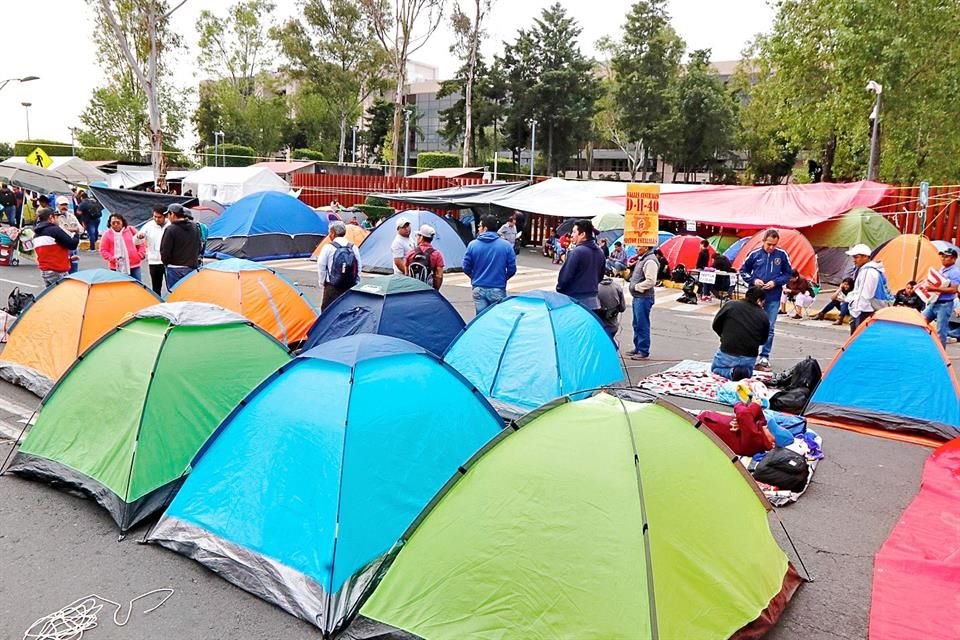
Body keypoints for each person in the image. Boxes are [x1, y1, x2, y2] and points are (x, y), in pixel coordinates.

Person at [738, 228, 793, 371]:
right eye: (769, 244)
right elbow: (743, 270)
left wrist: (776, 282)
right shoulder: (754, 254)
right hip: (755, 297)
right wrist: (753, 280)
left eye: (774, 245)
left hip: (773, 296)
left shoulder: (781, 255)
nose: (771, 247)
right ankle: (748, 354)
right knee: (750, 325)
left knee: (769, 327)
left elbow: (788, 274)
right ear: (763, 241)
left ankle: (764, 356)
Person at [710, 286, 771, 380]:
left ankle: (731, 373)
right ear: (759, 300)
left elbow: (716, 324)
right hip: (749, 357)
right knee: (747, 372)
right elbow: (763, 340)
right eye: (763, 302)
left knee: (716, 368)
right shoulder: (764, 316)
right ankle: (743, 373)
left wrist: (724, 337)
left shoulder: (731, 305)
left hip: (728, 351)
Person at [462, 215, 517, 313]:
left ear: (485, 228)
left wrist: (474, 277)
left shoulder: (473, 245)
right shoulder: (506, 246)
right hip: (498, 287)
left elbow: (466, 267)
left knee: (480, 319)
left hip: (478, 287)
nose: (478, 229)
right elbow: (512, 269)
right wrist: (503, 278)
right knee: (497, 318)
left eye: (479, 226)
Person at [556, 220, 605, 311]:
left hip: (576, 300)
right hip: (594, 301)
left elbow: (565, 277)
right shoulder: (600, 252)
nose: (572, 235)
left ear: (582, 234)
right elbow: (600, 276)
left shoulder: (577, 252)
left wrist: (560, 289)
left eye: (574, 232)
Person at [316, 221, 362, 311]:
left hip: (332, 286)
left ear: (333, 233)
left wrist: (322, 282)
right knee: (347, 310)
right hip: (349, 285)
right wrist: (356, 281)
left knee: (328, 312)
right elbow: (358, 266)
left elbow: (321, 266)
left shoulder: (328, 247)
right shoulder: (353, 247)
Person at [845, 243, 889, 334]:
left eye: (856, 257)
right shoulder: (874, 270)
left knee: (857, 339)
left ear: (865, 257)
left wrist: (855, 312)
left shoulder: (868, 271)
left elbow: (864, 295)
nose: (854, 260)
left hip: (864, 311)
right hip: (870, 310)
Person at [627, 244, 660, 360]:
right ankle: (637, 347)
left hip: (644, 297)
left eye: (639, 246)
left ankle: (643, 350)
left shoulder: (650, 261)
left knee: (642, 324)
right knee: (636, 323)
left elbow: (651, 281)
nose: (636, 248)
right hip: (638, 297)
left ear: (646, 248)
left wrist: (637, 287)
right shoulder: (643, 259)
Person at [923, 247, 960, 346]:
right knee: (921, 321)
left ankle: (941, 357)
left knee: (941, 332)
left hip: (945, 304)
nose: (943, 258)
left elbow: (953, 289)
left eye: (947, 257)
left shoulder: (955, 272)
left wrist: (934, 289)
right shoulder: (942, 269)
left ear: (953, 259)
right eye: (943, 256)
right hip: (935, 302)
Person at [160, 203, 201, 291]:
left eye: (168, 214)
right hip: (191, 266)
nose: (168, 217)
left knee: (175, 294)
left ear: (173, 214)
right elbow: (199, 245)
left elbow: (165, 250)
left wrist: (166, 262)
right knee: (189, 293)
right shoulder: (195, 227)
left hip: (175, 268)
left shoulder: (171, 229)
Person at [33, 208, 79, 286]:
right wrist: (76, 234)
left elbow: (48, 254)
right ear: (51, 217)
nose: (58, 220)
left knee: (52, 295)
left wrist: (68, 259)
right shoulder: (54, 230)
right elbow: (72, 244)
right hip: (57, 271)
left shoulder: (36, 235)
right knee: (66, 296)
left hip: (45, 271)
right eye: (57, 217)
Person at [99, 213, 145, 280]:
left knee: (137, 286)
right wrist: (112, 259)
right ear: (110, 223)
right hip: (116, 267)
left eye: (118, 222)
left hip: (134, 265)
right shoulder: (107, 234)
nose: (116, 225)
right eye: (113, 223)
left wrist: (140, 255)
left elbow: (141, 243)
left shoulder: (131, 230)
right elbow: (103, 250)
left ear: (122, 222)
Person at [137, 205, 170, 295]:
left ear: (165, 216)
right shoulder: (148, 226)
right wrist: (138, 237)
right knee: (156, 288)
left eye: (159, 217)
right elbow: (135, 242)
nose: (156, 219)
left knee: (172, 287)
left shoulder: (171, 225)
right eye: (155, 216)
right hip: (154, 261)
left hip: (169, 262)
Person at [405, 224, 445, 290]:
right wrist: (436, 289)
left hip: (412, 289)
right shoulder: (437, 254)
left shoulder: (411, 253)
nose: (417, 238)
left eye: (418, 236)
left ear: (421, 237)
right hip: (428, 289)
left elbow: (406, 273)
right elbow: (439, 276)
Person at [55, 196, 82, 274]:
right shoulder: (55, 217)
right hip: (62, 247)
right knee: (63, 271)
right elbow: (60, 230)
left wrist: (72, 229)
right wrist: (74, 229)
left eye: (66, 205)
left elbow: (80, 229)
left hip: (74, 246)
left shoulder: (71, 216)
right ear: (57, 205)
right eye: (62, 205)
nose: (64, 207)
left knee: (74, 272)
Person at [597, 275, 626, 347]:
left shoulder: (593, 287)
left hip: (597, 326)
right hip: (612, 326)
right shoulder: (617, 287)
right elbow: (622, 308)